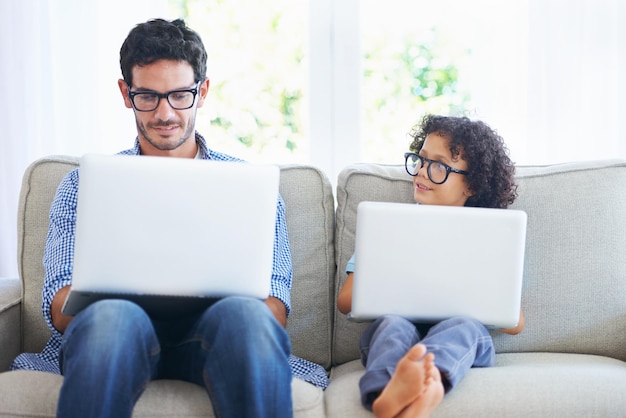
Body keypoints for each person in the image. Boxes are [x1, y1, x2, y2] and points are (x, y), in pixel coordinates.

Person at [10, 18, 329, 417]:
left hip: (217, 338)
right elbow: (60, 310)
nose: (165, 113)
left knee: (247, 317)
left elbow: (274, 310)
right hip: (119, 337)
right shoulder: (82, 186)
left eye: (180, 95)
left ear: (203, 91)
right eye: (148, 96)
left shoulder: (248, 186)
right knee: (111, 316)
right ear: (126, 93)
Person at [337, 114, 525, 418]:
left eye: (439, 165)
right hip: (397, 328)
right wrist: (395, 280)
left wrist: (463, 288)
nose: (423, 172)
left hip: (463, 336)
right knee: (392, 325)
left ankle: (429, 383)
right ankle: (390, 393)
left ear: (472, 185)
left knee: (464, 327)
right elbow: (345, 302)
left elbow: (514, 322)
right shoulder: (387, 228)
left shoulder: (490, 237)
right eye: (420, 160)